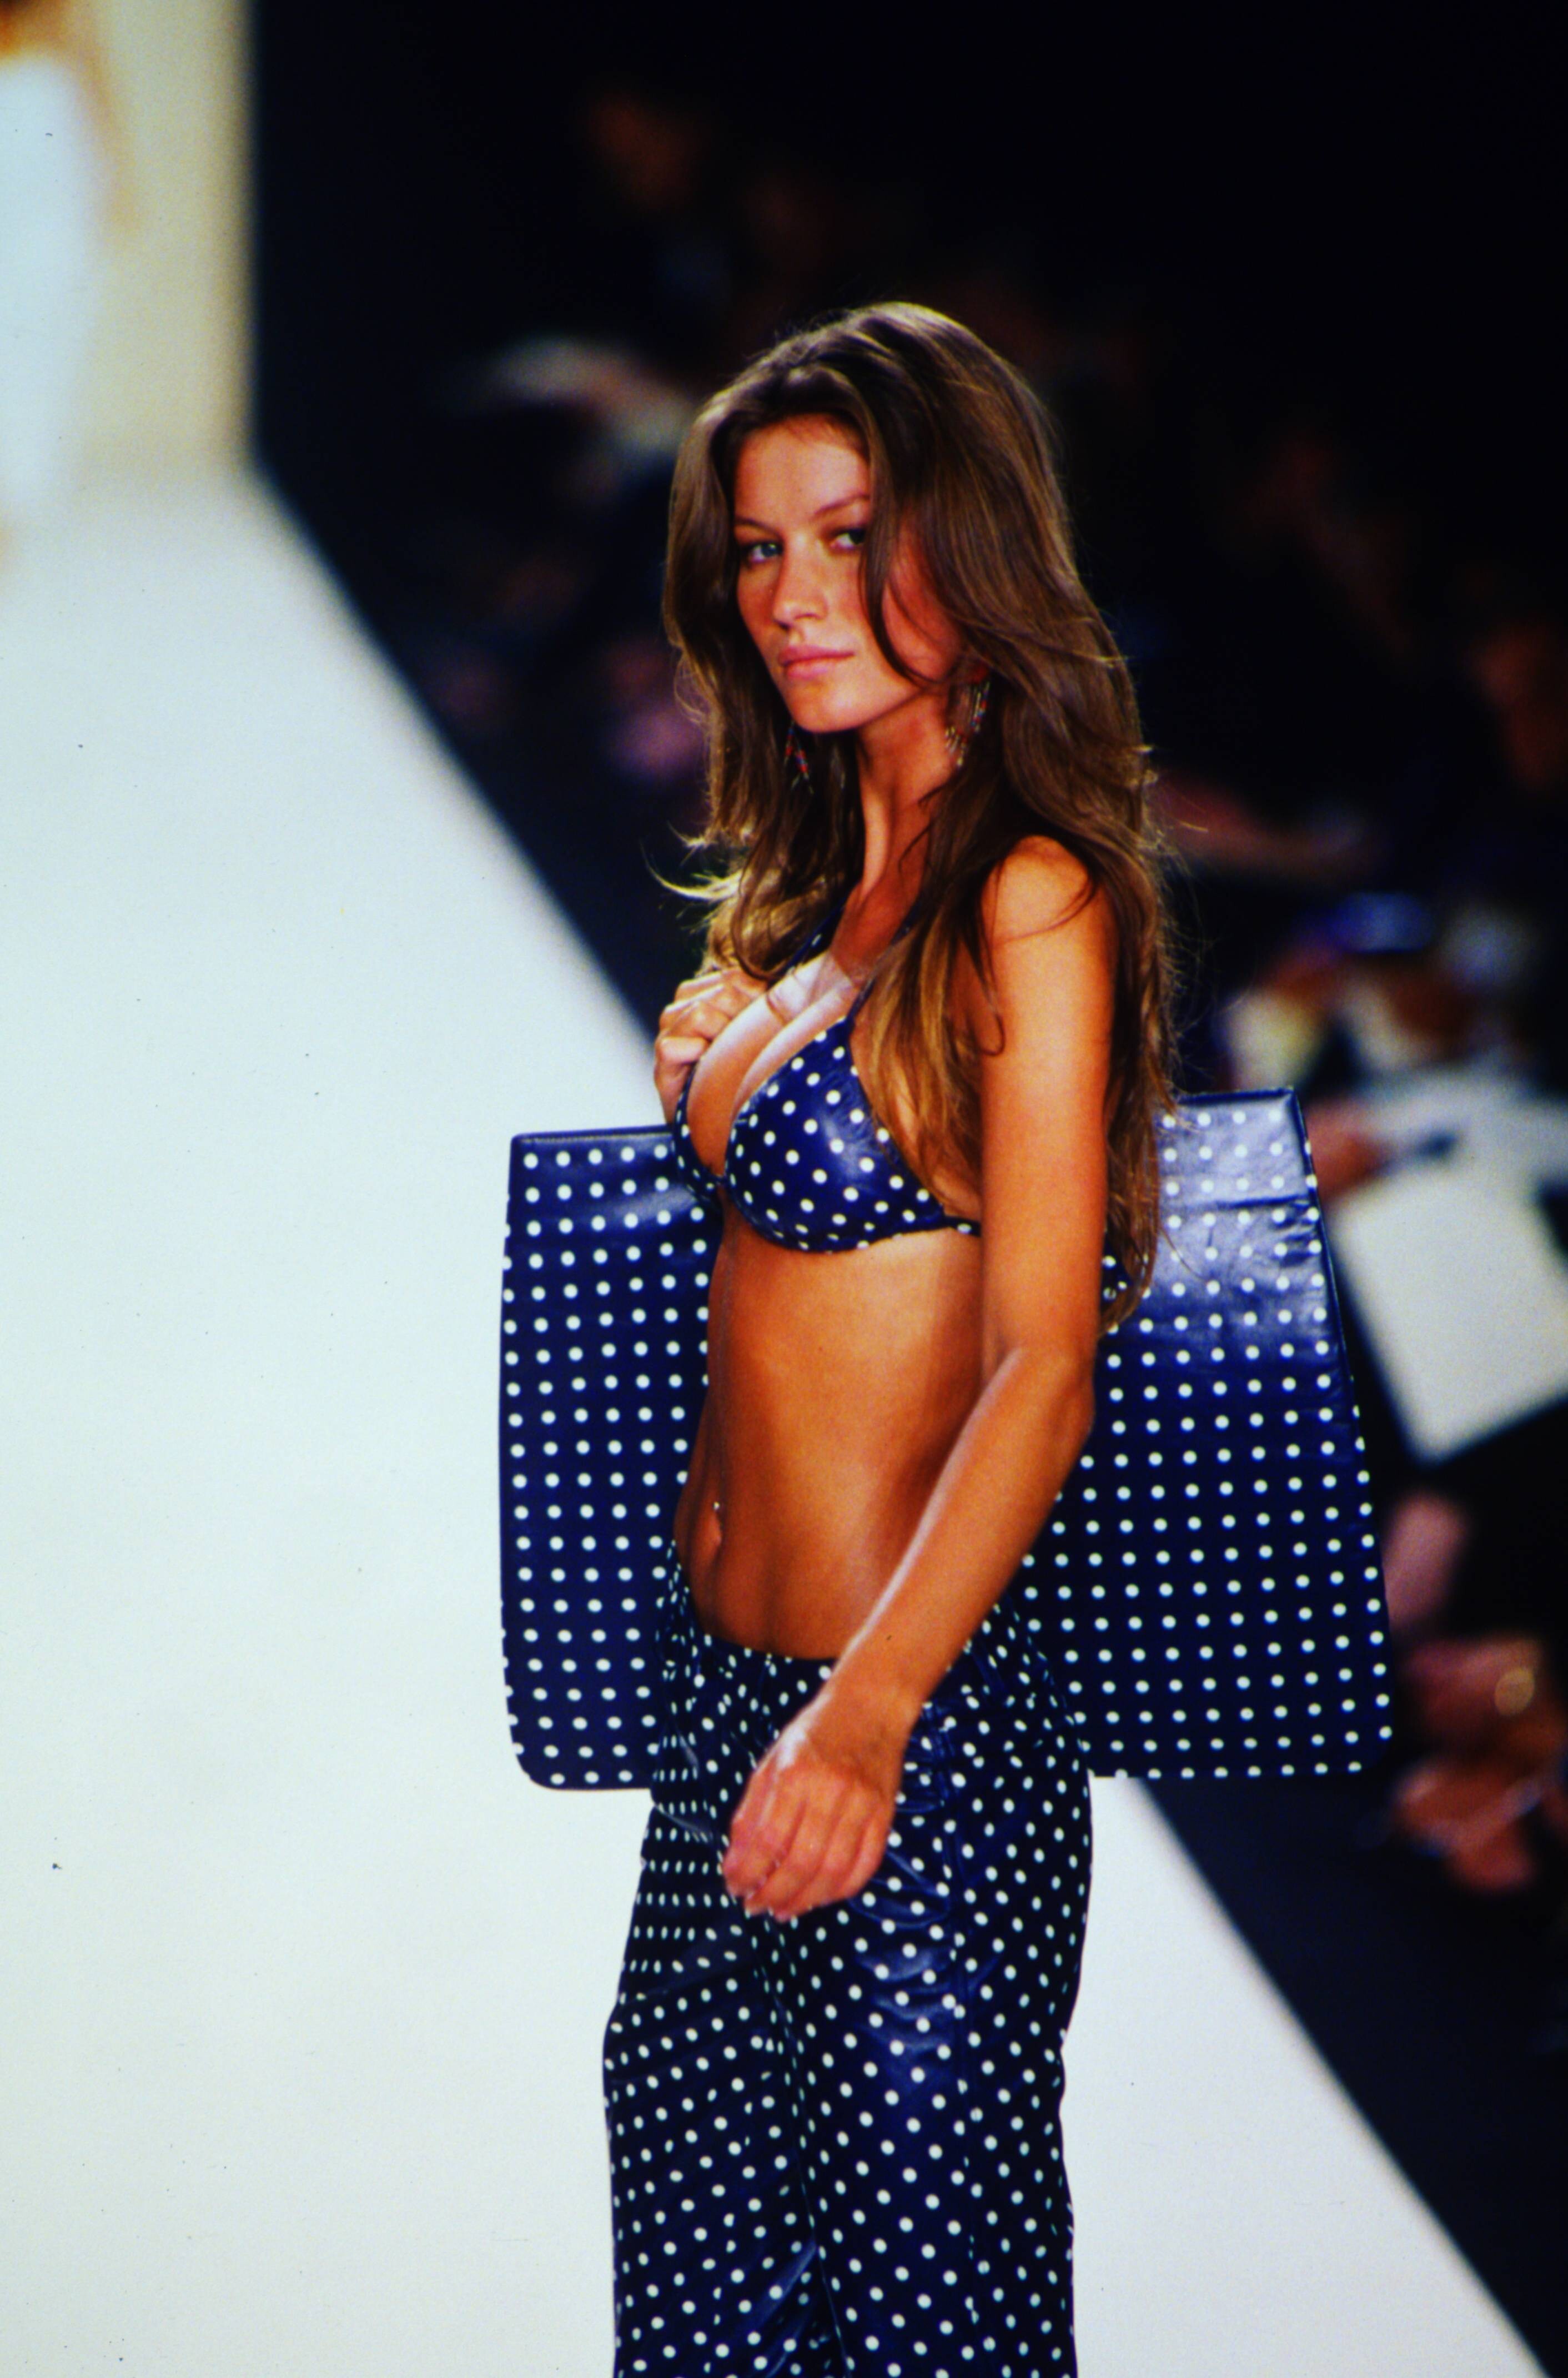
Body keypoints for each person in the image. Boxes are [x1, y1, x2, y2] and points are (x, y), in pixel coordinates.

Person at [597, 302, 1174, 2378]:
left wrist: (864, 1719)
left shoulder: (1028, 894)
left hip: (906, 1749)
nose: (793, 595)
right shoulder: (836, 887)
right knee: (701, 2317)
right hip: (731, 1729)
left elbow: (1042, 1360)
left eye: (849, 538)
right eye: (762, 549)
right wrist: (718, 1058)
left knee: (925, 2331)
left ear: (965, 541)